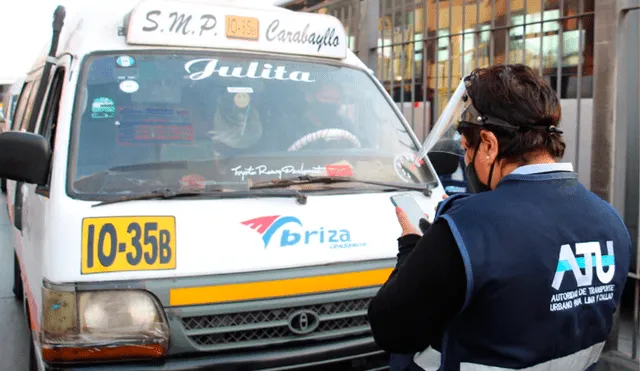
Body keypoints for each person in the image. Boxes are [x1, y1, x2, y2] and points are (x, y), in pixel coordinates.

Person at [367, 64, 632, 371]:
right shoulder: (611, 222)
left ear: (490, 145)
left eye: (468, 149)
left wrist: (412, 247)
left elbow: (390, 328)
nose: (466, 160)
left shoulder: (469, 227)